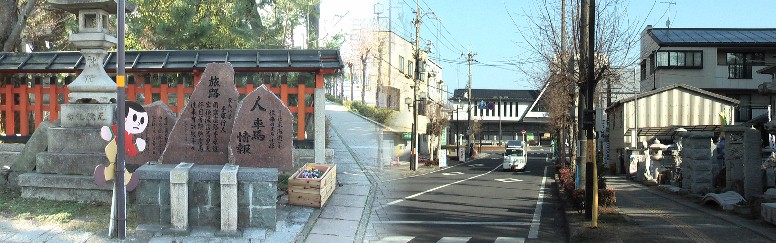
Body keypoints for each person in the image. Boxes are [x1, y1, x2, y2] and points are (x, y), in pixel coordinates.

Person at [93, 101, 147, 191]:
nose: (138, 123)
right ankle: (128, 180)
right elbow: (130, 150)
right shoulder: (123, 131)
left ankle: (104, 174)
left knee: (117, 167)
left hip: (115, 150)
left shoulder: (129, 133)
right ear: (124, 117)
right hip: (115, 149)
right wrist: (137, 147)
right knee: (119, 167)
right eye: (134, 118)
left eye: (141, 121)